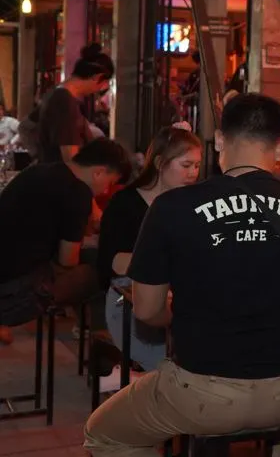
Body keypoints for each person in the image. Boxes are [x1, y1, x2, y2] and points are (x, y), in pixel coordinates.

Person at [85, 94, 280, 457]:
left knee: (103, 433)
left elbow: (145, 311)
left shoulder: (171, 208)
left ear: (220, 140)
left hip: (201, 392)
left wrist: (182, 313)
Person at [0, 139, 131, 346]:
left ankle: (93, 332)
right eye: (109, 183)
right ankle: (105, 345)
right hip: (16, 290)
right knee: (103, 267)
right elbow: (67, 260)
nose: (106, 191)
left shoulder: (39, 171)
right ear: (98, 172)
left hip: (7, 270)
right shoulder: (77, 193)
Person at [97, 127, 201, 379]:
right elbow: (111, 262)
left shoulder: (195, 203)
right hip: (129, 299)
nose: (193, 174)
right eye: (186, 165)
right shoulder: (126, 204)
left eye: (197, 166)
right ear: (159, 163)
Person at [38, 43, 114, 163]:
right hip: (59, 176)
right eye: (102, 84)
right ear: (96, 77)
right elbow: (70, 156)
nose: (99, 90)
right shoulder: (63, 100)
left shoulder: (59, 95)